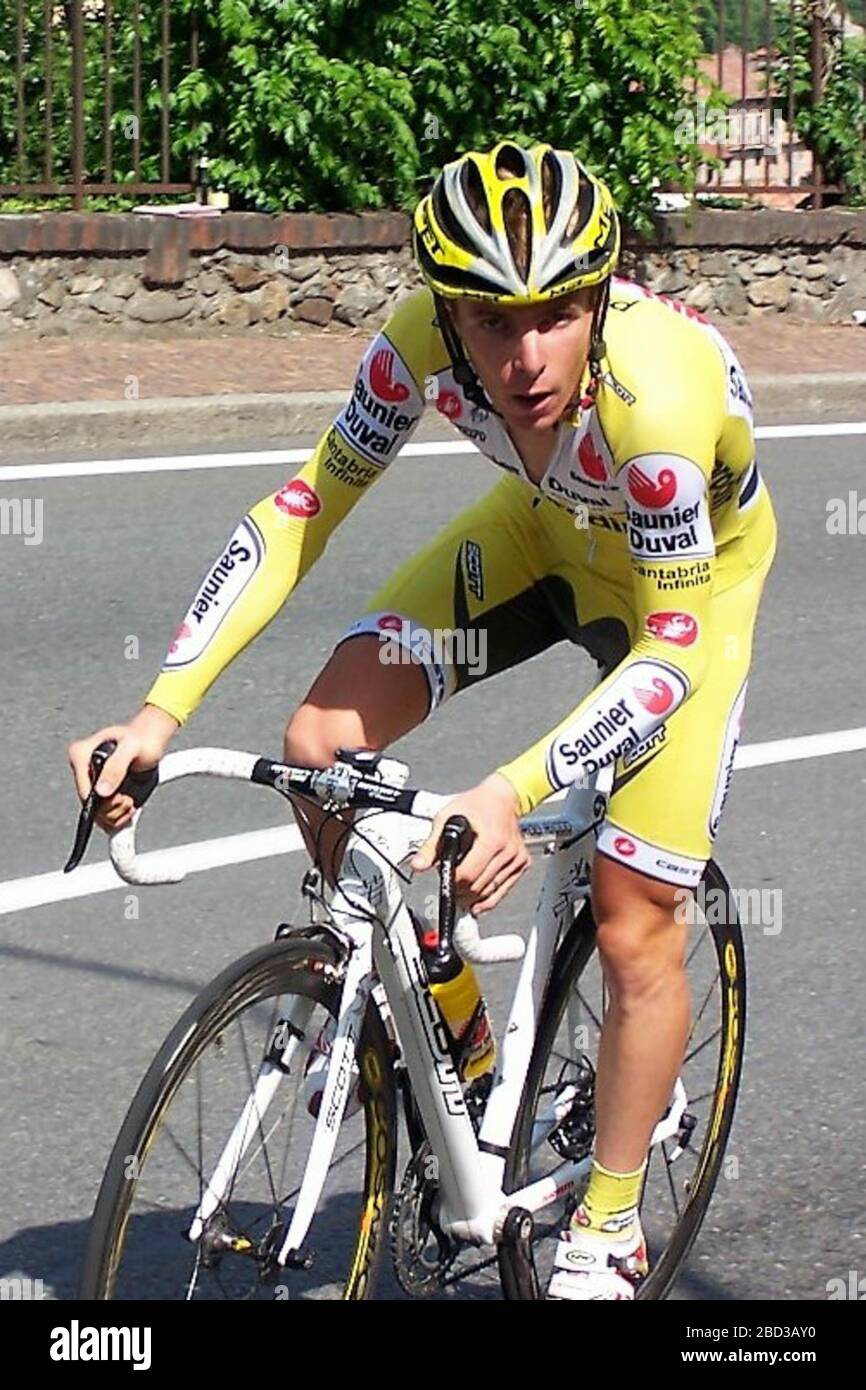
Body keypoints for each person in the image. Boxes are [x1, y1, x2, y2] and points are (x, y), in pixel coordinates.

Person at [69, 141, 776, 1300]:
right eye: (492, 322)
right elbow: (303, 510)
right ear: (448, 313)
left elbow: (675, 651)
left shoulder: (658, 397)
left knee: (634, 909)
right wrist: (159, 709)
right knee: (317, 750)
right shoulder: (411, 350)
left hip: (681, 606)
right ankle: (442, 1039)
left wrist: (507, 788)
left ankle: (605, 1225)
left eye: (556, 315)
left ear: (599, 297)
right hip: (540, 540)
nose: (525, 354)